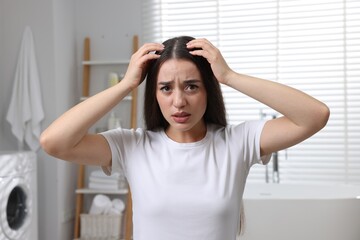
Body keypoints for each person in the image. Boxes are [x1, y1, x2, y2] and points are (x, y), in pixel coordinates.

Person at [40, 36, 330, 240]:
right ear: (154, 94)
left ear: (209, 90)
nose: (178, 101)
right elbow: (54, 142)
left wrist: (229, 76)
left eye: (191, 86)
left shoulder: (237, 143)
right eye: (166, 88)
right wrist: (126, 85)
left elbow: (315, 115)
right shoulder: (132, 146)